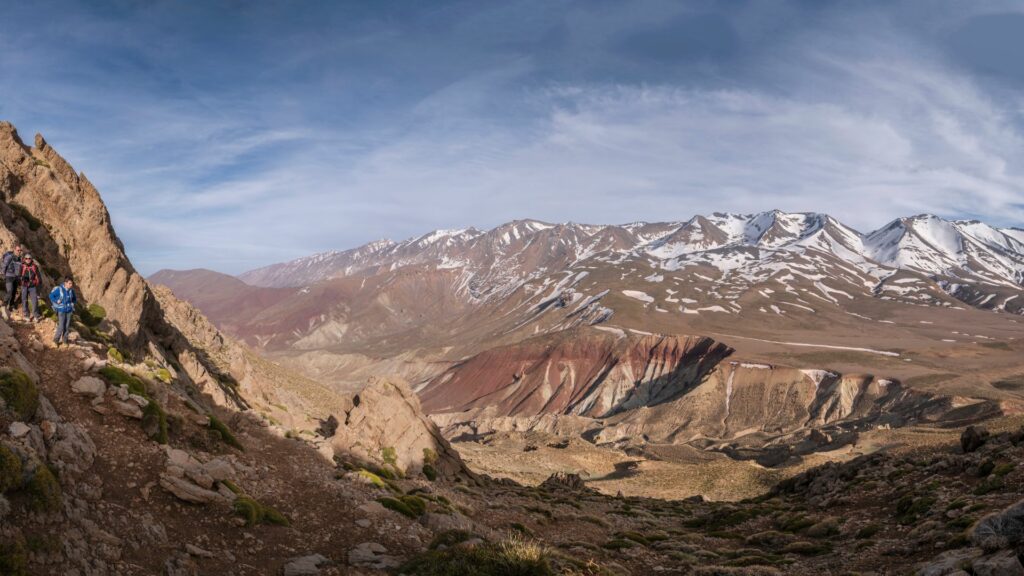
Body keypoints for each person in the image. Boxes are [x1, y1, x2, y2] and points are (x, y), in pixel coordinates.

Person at [49, 277, 76, 347]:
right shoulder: (59, 289)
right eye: (70, 283)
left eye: (72, 283)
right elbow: (51, 295)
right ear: (65, 283)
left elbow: (74, 299)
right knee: (61, 326)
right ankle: (55, 341)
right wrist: (56, 301)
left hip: (69, 310)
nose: (71, 285)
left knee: (67, 326)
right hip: (61, 310)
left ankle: (65, 341)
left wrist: (73, 303)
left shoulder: (71, 291)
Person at [1, 245, 23, 319]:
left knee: (14, 292)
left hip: (16, 278)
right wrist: (3, 274)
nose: (19, 251)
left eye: (20, 250)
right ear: (14, 250)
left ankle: (11, 306)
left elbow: (19, 269)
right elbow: (4, 265)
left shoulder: (19, 259)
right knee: (10, 291)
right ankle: (4, 305)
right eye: (18, 250)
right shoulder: (9, 257)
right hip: (9, 276)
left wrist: (20, 278)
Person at [19, 254, 43, 322]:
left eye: (29, 258)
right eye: (26, 258)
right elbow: (19, 275)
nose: (28, 259)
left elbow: (38, 277)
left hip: (32, 286)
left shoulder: (34, 266)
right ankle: (26, 315)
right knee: (24, 300)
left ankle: (36, 315)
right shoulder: (22, 266)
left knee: (34, 301)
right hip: (24, 286)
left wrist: (39, 288)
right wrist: (21, 280)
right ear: (24, 259)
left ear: (31, 259)